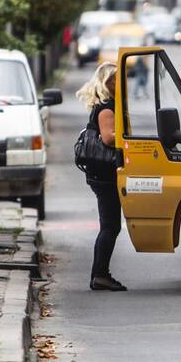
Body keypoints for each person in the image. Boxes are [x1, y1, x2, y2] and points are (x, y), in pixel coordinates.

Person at [75, 63, 127, 292]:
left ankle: (100, 274)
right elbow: (108, 138)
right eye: (117, 80)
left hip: (101, 172)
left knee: (110, 225)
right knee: (110, 226)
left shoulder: (106, 105)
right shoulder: (107, 107)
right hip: (104, 173)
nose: (122, 84)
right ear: (107, 83)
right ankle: (100, 275)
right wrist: (129, 141)